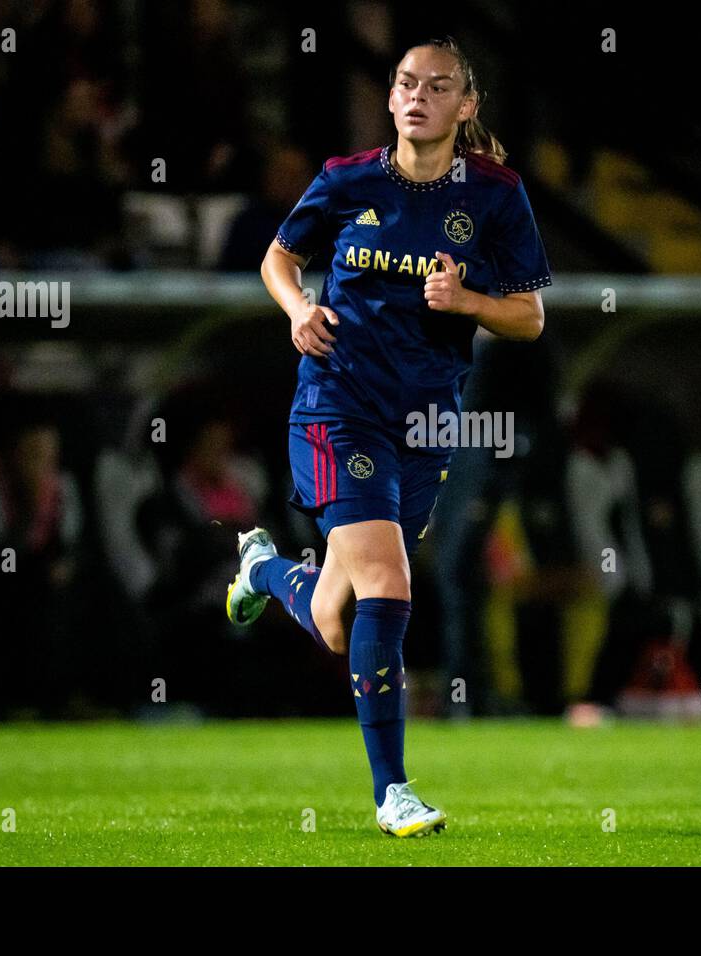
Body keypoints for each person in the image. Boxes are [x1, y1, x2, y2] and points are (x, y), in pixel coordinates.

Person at [229, 38, 552, 837]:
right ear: (391, 96)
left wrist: (470, 298)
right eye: (407, 83)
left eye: (438, 87)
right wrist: (300, 310)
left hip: (426, 424)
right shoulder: (348, 179)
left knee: (342, 619)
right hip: (338, 407)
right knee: (390, 584)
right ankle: (393, 792)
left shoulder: (496, 195)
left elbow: (531, 316)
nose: (418, 96)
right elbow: (278, 259)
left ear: (465, 106)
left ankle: (266, 569)